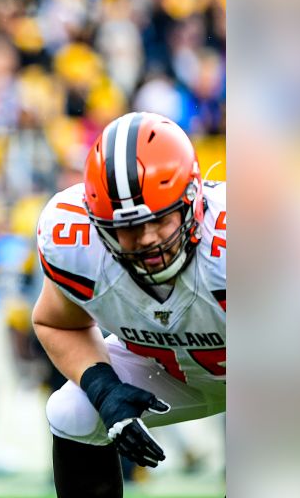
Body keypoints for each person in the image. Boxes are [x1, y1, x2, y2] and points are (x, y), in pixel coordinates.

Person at [32, 112, 226, 498]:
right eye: (129, 228)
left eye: (161, 220)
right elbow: (57, 323)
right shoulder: (76, 240)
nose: (147, 240)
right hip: (166, 372)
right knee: (74, 410)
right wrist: (105, 390)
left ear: (192, 200)